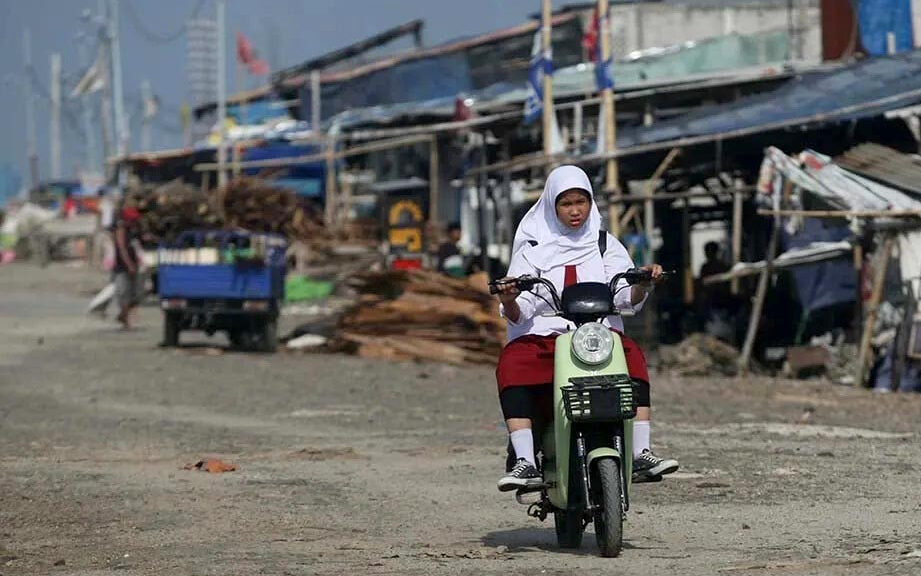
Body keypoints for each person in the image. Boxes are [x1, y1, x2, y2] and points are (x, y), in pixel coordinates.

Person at [493, 165, 679, 491]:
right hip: (544, 335)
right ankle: (525, 460)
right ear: (552, 205)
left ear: (592, 203)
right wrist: (510, 298)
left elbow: (624, 298)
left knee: (632, 357)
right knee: (514, 363)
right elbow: (520, 311)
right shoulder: (532, 248)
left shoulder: (605, 243)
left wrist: (643, 285)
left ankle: (641, 451)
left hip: (596, 336)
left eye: (582, 202)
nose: (576, 211)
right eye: (566, 204)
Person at [113, 206, 143, 329]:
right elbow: (122, 249)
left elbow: (136, 247)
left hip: (134, 266)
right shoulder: (121, 230)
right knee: (124, 293)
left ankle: (122, 315)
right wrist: (129, 264)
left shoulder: (134, 230)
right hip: (122, 267)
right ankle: (125, 320)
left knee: (136, 295)